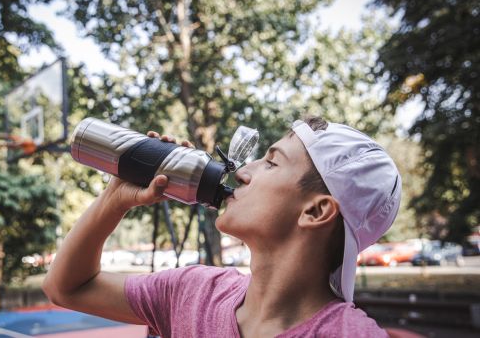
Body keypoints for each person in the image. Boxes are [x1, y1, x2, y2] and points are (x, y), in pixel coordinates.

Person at [42, 116, 401, 337]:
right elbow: (67, 287)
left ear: (315, 211)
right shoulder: (193, 292)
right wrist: (115, 198)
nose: (243, 171)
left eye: (272, 163)